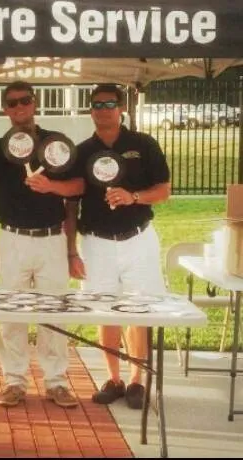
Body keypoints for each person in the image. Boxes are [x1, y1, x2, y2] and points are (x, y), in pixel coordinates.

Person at [0, 80, 84, 408]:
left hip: (51, 238)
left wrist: (51, 187)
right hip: (13, 238)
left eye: (25, 101)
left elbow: (78, 186)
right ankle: (14, 380)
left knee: (53, 311)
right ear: (6, 109)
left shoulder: (54, 143)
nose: (19, 107)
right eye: (12, 103)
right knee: (11, 311)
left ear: (34, 103)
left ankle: (56, 381)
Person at [69, 83, 170, 410]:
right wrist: (71, 251)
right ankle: (113, 379)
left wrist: (133, 196)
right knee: (105, 311)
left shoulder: (143, 144)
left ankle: (137, 379)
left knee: (139, 310)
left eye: (109, 104)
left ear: (122, 108)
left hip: (138, 240)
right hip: (96, 243)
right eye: (97, 105)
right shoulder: (82, 151)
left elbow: (164, 190)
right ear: (91, 110)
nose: (103, 110)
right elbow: (71, 203)